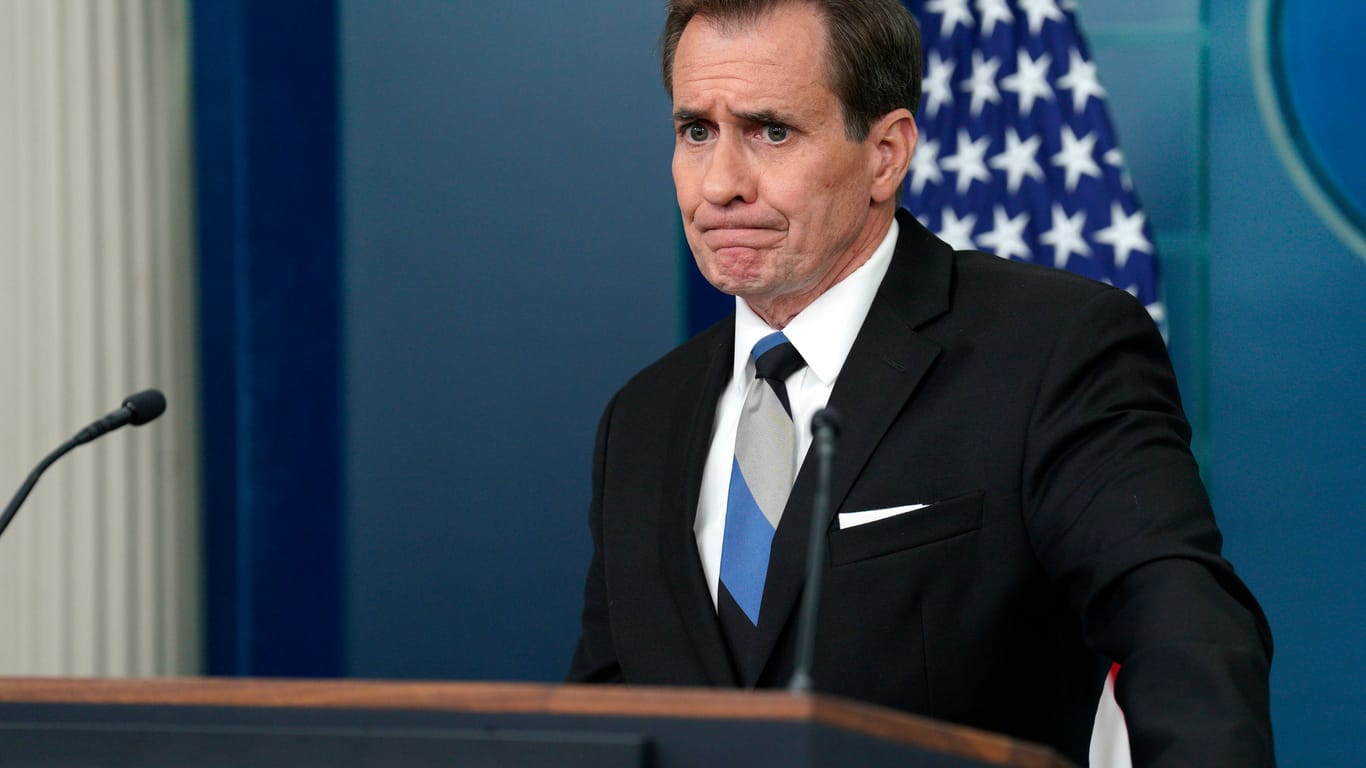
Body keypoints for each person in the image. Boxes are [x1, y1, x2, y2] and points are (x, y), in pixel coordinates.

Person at [567, 1, 1274, 765]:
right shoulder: (641, 419)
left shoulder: (1052, 350)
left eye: (772, 131)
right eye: (695, 131)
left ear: (886, 153)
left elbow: (1186, 639)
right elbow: (604, 719)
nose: (721, 184)